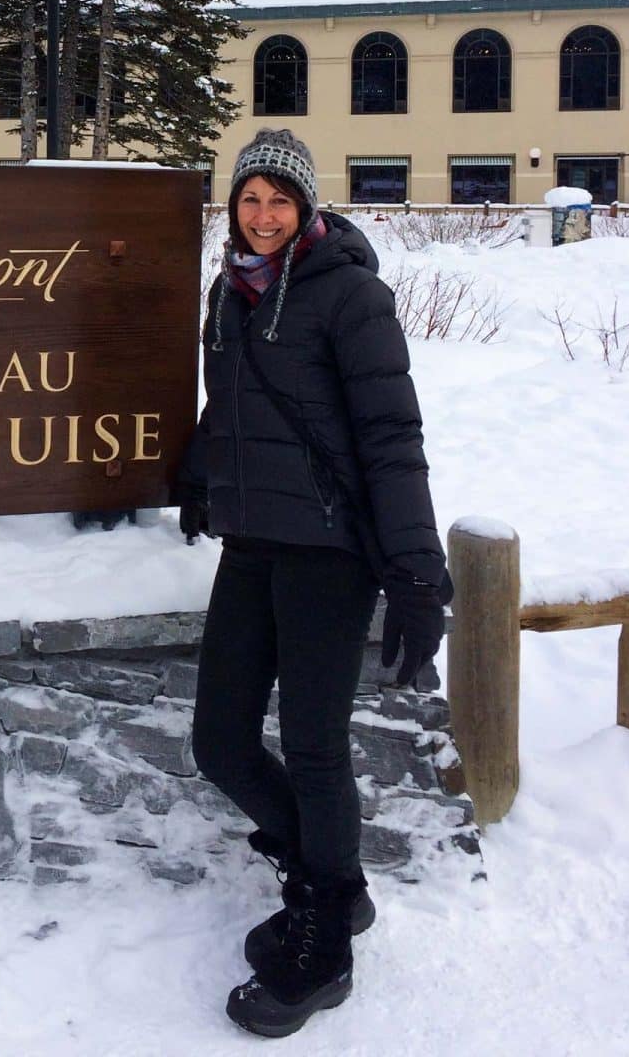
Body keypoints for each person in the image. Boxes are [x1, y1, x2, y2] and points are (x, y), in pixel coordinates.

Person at [173, 128, 452, 1039]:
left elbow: (390, 440)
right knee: (219, 741)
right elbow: (236, 402)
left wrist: (417, 573)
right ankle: (331, 873)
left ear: (308, 209)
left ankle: (324, 940)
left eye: (279, 202)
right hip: (251, 544)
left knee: (317, 746)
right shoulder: (230, 291)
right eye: (249, 200)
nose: (262, 217)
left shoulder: (352, 297)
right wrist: (201, 474)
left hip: (330, 554)